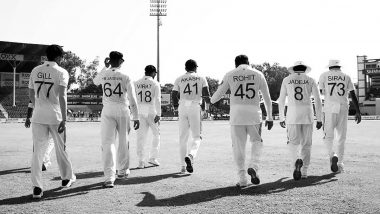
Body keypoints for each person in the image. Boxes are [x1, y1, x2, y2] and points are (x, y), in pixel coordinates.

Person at [211, 55, 273, 188]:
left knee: (238, 147)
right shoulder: (258, 74)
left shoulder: (230, 74)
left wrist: (210, 100)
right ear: (248, 63)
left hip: (236, 114)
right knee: (257, 141)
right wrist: (270, 117)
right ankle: (254, 166)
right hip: (254, 114)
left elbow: (217, 96)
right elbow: (267, 98)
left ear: (236, 64)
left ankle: (242, 178)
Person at [28, 44, 76, 199]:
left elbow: (30, 92)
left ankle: (37, 188)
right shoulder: (61, 71)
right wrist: (64, 118)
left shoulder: (35, 70)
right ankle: (66, 179)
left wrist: (38, 106)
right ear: (58, 57)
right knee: (61, 148)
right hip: (55, 116)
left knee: (37, 153)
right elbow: (62, 96)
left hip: (38, 116)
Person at [93, 51, 139, 188]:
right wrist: (136, 116)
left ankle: (109, 177)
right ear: (120, 61)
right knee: (124, 141)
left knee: (108, 143)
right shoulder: (126, 76)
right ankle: (122, 171)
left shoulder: (105, 74)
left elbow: (95, 81)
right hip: (122, 109)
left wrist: (104, 67)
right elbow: (132, 99)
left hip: (107, 109)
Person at [278, 61, 323, 180]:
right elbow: (317, 100)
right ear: (305, 69)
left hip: (292, 114)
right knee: (307, 144)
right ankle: (304, 171)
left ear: (293, 69)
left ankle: (295, 164)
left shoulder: (286, 80)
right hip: (307, 114)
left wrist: (281, 117)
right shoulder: (311, 79)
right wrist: (319, 118)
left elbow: (281, 100)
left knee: (293, 143)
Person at [318, 60, 361, 173]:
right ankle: (340, 164)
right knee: (342, 137)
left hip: (329, 107)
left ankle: (333, 155)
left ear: (330, 67)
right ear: (339, 67)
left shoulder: (324, 75)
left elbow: (321, 92)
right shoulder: (346, 76)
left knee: (328, 136)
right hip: (343, 107)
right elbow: (352, 94)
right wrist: (358, 111)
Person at [172, 59, 210, 174]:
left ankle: (183, 167)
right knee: (197, 137)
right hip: (195, 106)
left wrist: (175, 107)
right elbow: (206, 96)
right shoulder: (201, 78)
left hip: (182, 106)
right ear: (196, 67)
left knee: (182, 138)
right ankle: (191, 155)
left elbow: (173, 94)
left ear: (185, 68)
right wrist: (207, 109)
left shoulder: (179, 78)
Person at [134, 65, 161, 168]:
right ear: (153, 73)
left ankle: (141, 161)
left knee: (140, 137)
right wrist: (159, 113)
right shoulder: (155, 83)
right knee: (156, 134)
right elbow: (158, 99)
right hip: (151, 110)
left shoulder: (136, 83)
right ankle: (153, 158)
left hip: (140, 111)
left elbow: (133, 98)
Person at [25, 101, 55, 171]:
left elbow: (30, 104)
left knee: (36, 141)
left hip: (38, 118)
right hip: (51, 117)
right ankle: (44, 162)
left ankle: (36, 161)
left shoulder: (35, 91)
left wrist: (28, 118)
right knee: (50, 141)